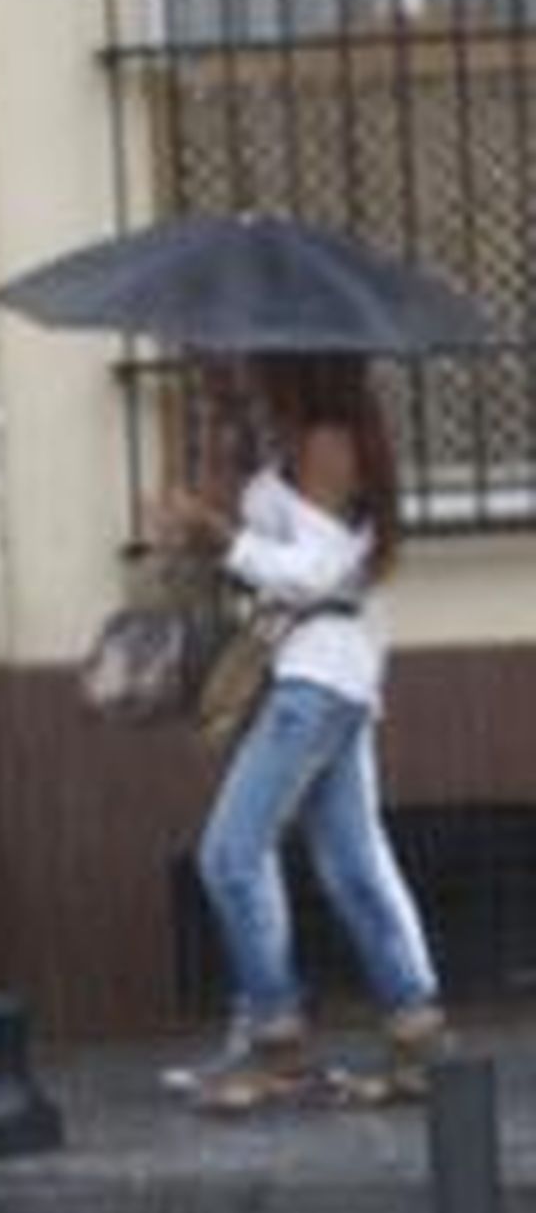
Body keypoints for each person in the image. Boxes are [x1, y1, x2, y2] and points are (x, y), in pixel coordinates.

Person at [155, 350, 448, 1113]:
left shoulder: (328, 440)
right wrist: (219, 470)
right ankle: (418, 1039)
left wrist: (221, 536)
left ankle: (279, 1046)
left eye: (259, 358)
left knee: (230, 854)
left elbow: (313, 571)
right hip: (330, 675)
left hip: (316, 680)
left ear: (300, 360)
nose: (245, 366)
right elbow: (273, 547)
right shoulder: (301, 442)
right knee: (353, 861)